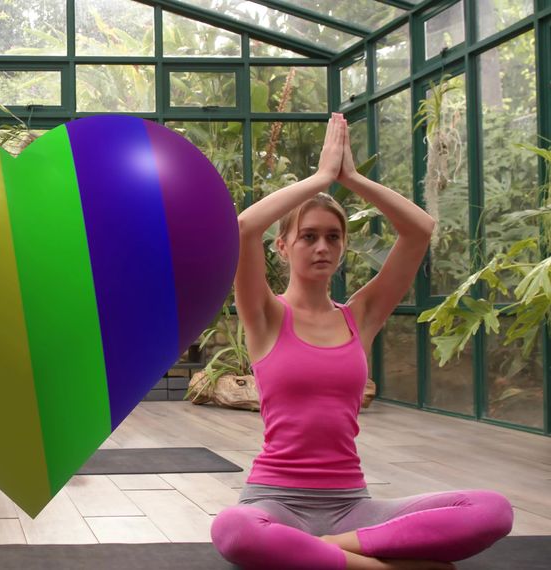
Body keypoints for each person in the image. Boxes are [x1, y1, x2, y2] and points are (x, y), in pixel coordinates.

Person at [210, 113, 513, 569]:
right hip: (274, 502)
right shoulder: (266, 315)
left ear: (344, 246)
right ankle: (379, 565)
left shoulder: (361, 317)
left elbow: (419, 230)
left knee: (492, 510)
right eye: (308, 237)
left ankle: (326, 555)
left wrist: (351, 178)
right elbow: (242, 228)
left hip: (352, 507)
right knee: (233, 529)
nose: (322, 248)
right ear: (283, 246)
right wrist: (319, 177)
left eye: (333, 238)